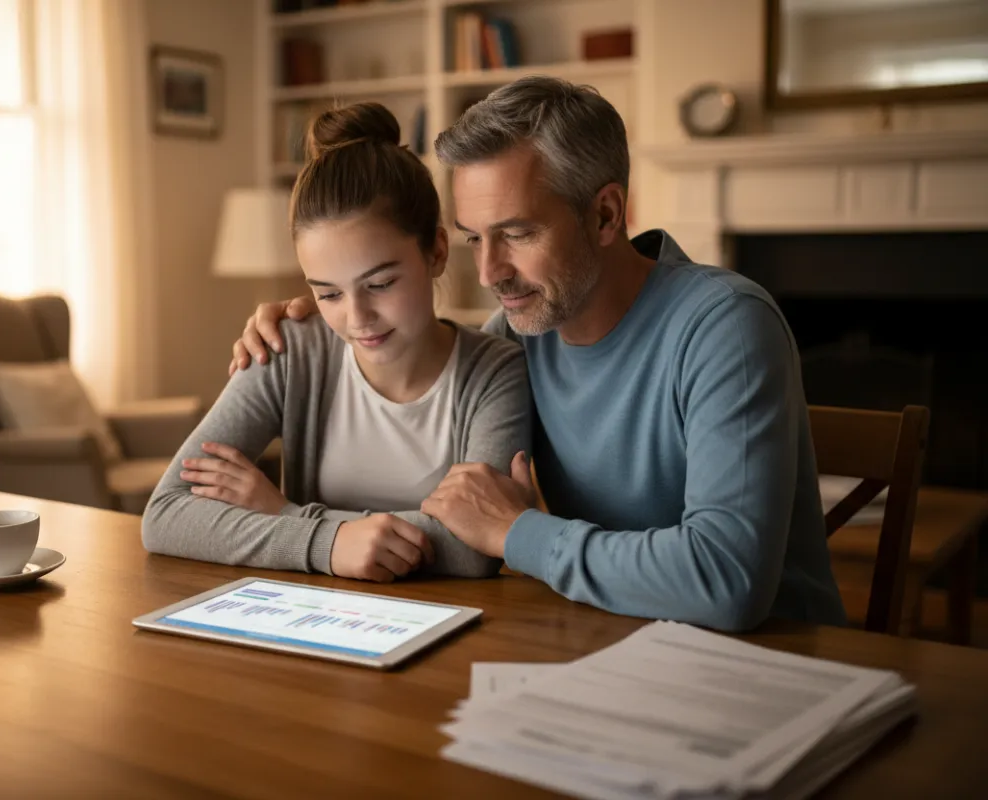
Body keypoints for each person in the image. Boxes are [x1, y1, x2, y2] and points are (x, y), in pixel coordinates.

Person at [227, 77, 848, 631]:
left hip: (773, 664)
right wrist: (318, 314)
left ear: (605, 215)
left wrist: (518, 534)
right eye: (475, 239)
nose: (492, 271)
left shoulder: (726, 327)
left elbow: (725, 583)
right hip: (609, 645)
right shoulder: (514, 337)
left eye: (518, 234)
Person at [142, 102, 531, 584]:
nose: (357, 318)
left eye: (381, 283)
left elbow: (474, 548)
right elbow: (166, 516)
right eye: (327, 292)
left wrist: (285, 515)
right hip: (312, 625)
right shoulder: (289, 350)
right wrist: (329, 545)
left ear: (435, 251)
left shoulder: (495, 371)